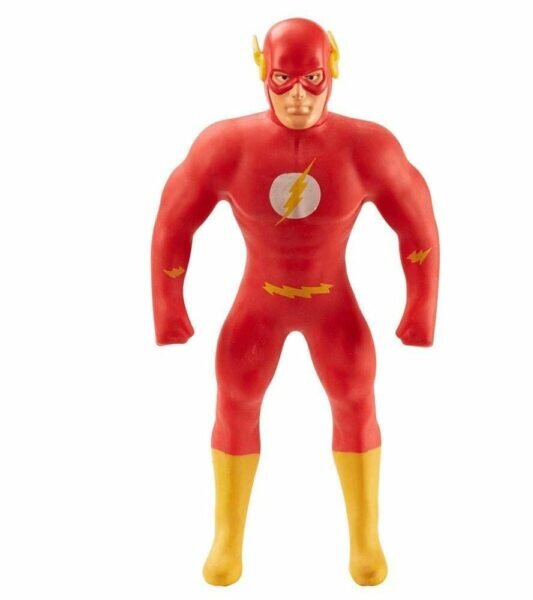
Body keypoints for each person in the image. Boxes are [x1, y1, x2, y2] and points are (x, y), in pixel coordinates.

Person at [151, 17, 439, 586]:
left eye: (312, 79)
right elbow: (173, 222)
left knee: (355, 397)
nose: (299, 97)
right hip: (259, 304)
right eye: (283, 80)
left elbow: (418, 225)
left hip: (333, 305)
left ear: (334, 69)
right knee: (235, 398)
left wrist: (420, 310)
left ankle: (365, 540)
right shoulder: (226, 146)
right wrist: (169, 308)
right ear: (262, 71)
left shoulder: (367, 147)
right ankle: (227, 540)